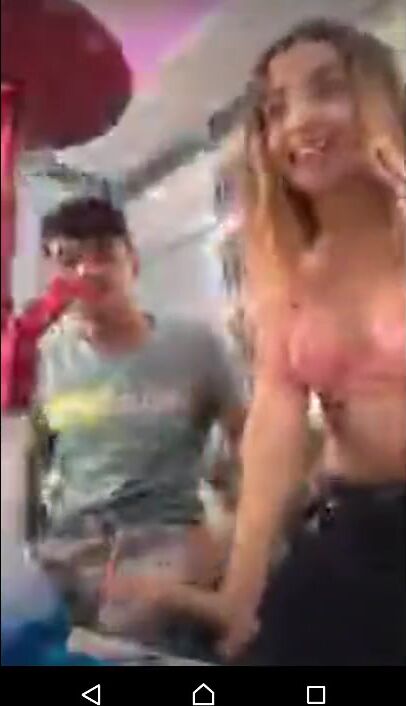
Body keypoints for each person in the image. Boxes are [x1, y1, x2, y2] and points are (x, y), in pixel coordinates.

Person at [107, 19, 405, 666]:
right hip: (352, 526)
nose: (298, 122)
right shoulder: (286, 267)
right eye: (275, 110)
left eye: (328, 89)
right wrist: (241, 587)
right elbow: (275, 418)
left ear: (380, 98)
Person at [25, 197, 244, 647]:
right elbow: (26, 475)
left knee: (133, 629)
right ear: (53, 279)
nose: (88, 271)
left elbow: (254, 445)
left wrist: (235, 543)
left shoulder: (194, 346)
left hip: (165, 541)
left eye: (104, 253)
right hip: (68, 548)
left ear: (133, 262)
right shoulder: (40, 361)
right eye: (69, 259)